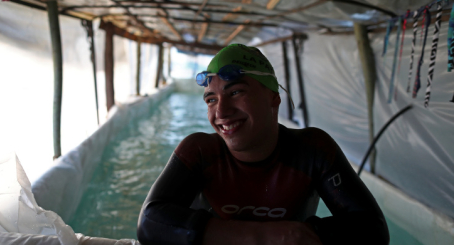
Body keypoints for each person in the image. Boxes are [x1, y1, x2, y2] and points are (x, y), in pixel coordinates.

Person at [137, 44, 389, 245]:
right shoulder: (199, 151)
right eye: (211, 99)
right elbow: (150, 222)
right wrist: (271, 237)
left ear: (273, 99)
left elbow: (372, 229)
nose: (221, 112)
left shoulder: (312, 150)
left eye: (235, 92)